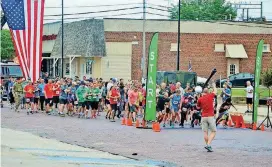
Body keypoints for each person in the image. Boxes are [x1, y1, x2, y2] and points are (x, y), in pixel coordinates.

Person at [197, 82, 217, 152]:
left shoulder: (200, 99)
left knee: (205, 132)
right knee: (214, 131)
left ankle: (208, 146)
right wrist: (214, 85)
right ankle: (208, 144)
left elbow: (198, 107)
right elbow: (215, 92)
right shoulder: (210, 96)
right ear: (208, 92)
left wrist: (198, 98)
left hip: (203, 117)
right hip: (210, 116)